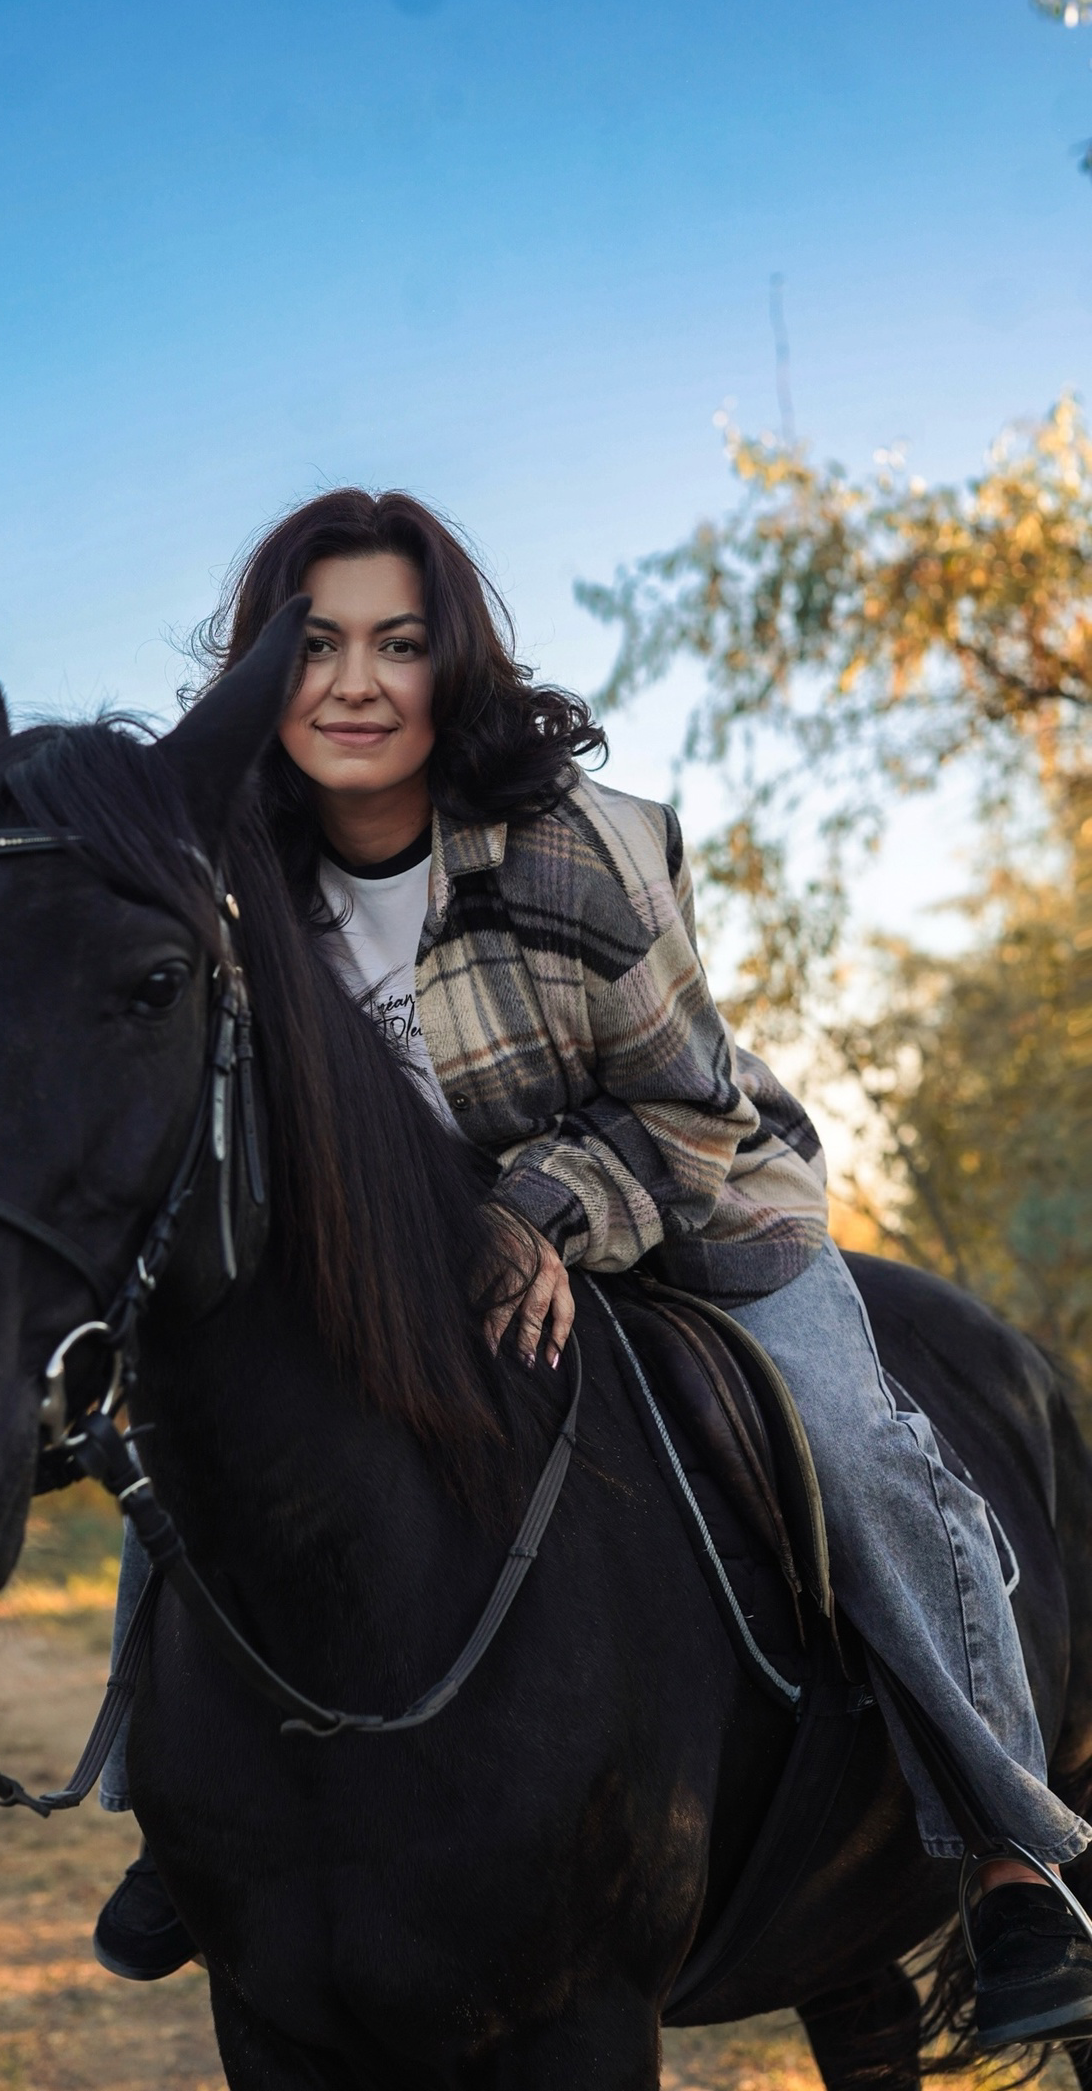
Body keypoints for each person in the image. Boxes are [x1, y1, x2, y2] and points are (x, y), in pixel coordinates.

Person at [92, 490, 1092, 2045]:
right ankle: (184, 1821)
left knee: (867, 1459)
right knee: (205, 1427)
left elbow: (693, 1104)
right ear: (260, 679)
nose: (355, 683)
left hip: (687, 1205)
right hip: (406, 1267)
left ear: (452, 666)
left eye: (399, 644)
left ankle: (1012, 1850)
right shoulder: (234, 877)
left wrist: (542, 1215)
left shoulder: (576, 844)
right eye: (317, 645)